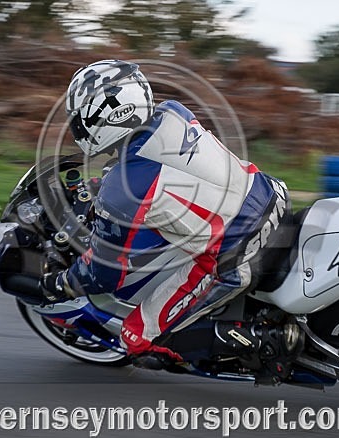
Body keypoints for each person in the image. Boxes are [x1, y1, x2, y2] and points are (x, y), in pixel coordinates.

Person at [41, 59, 288, 370]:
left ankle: (245, 349)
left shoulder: (123, 190)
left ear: (100, 119)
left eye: (77, 120)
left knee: (137, 337)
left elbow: (105, 275)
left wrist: (62, 282)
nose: (76, 128)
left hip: (238, 251)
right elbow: (162, 162)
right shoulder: (173, 111)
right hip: (270, 193)